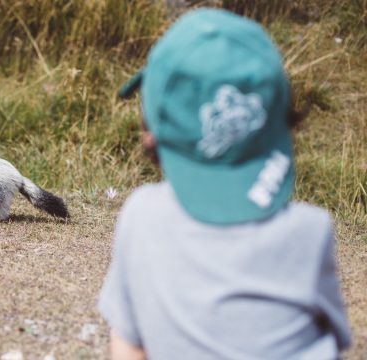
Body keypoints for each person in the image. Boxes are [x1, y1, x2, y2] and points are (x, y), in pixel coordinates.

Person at [97, 8, 352, 360]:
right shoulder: (311, 230)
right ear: (281, 122)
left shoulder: (140, 216)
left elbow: (128, 344)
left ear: (151, 133)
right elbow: (330, 339)